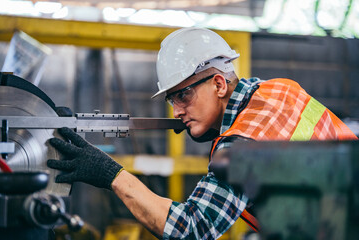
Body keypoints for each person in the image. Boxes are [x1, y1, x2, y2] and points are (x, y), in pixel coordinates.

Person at [47, 27, 358, 239]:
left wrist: (111, 174)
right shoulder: (280, 89)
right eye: (172, 100)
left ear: (219, 84)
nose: (176, 112)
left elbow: (191, 229)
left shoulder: (240, 145)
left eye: (183, 96)